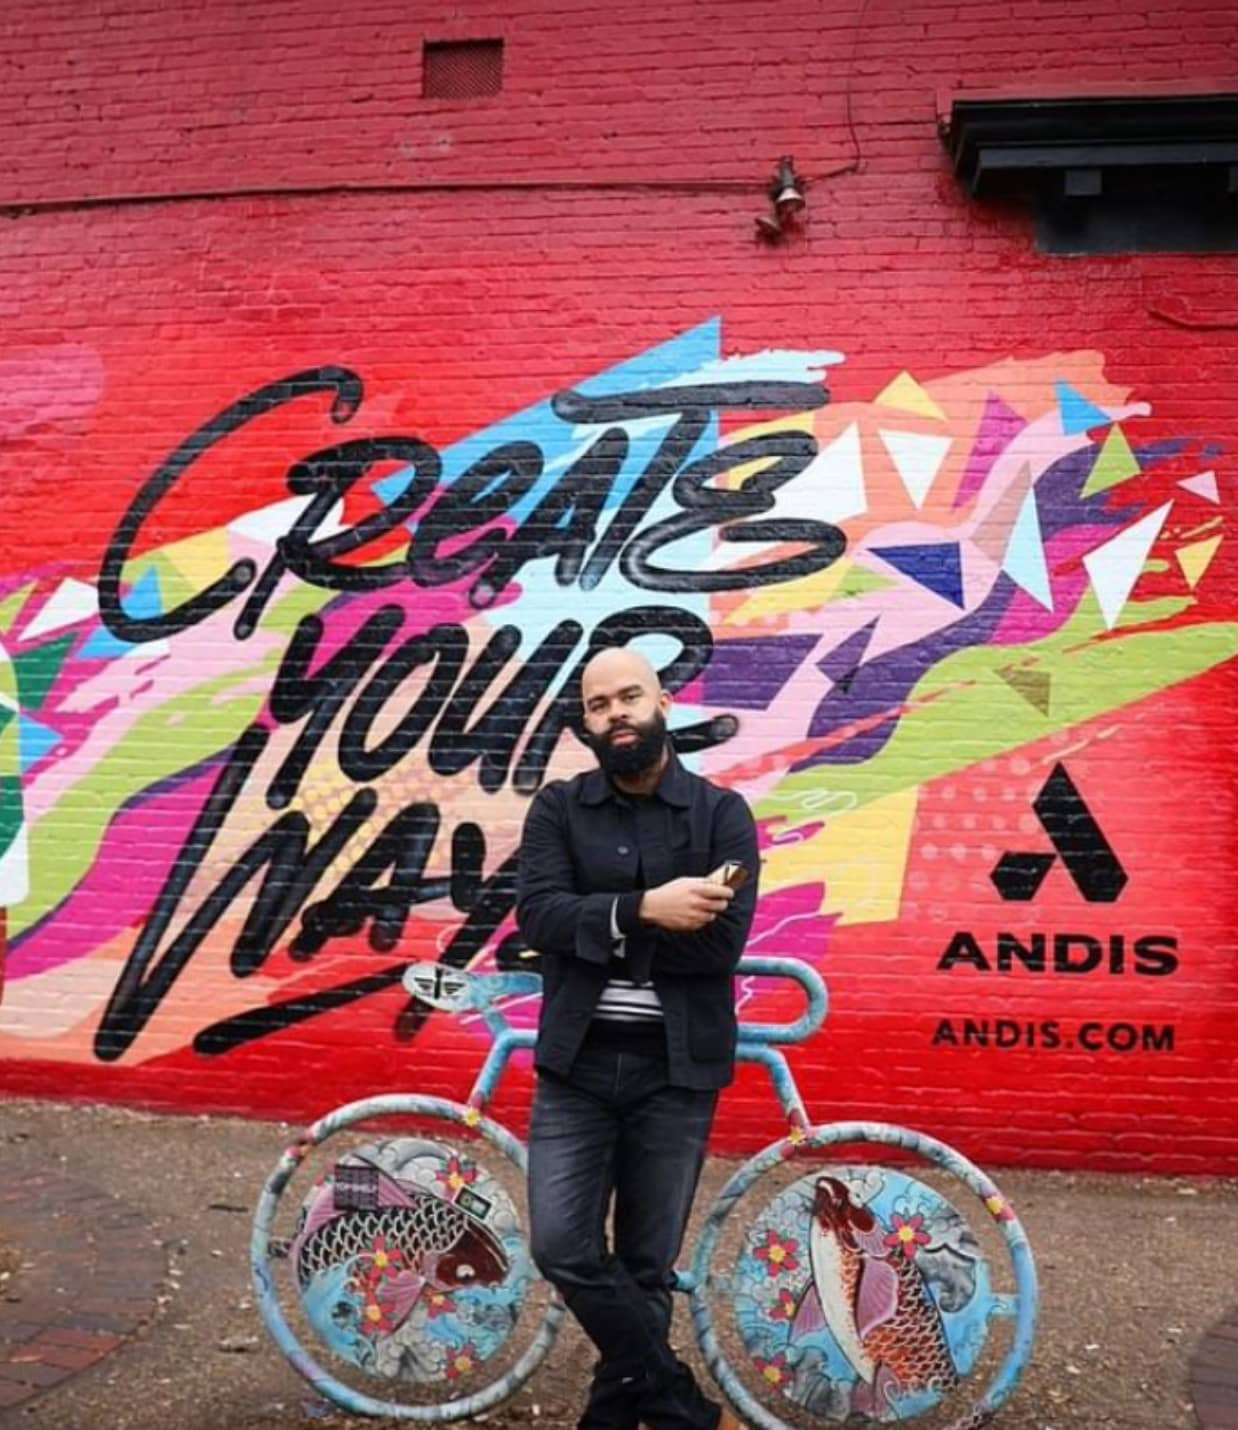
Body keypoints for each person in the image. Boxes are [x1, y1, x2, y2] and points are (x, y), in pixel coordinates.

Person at [515, 645, 759, 1430]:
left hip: (674, 1073)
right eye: (598, 704)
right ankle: (681, 1405)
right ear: (584, 723)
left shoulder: (722, 815)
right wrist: (643, 909)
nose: (616, 713)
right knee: (561, 1246)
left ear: (662, 703)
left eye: (629, 697)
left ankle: (614, 1419)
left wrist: (596, 925)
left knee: (646, 1266)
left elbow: (717, 950)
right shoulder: (559, 809)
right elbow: (538, 917)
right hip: (576, 1067)